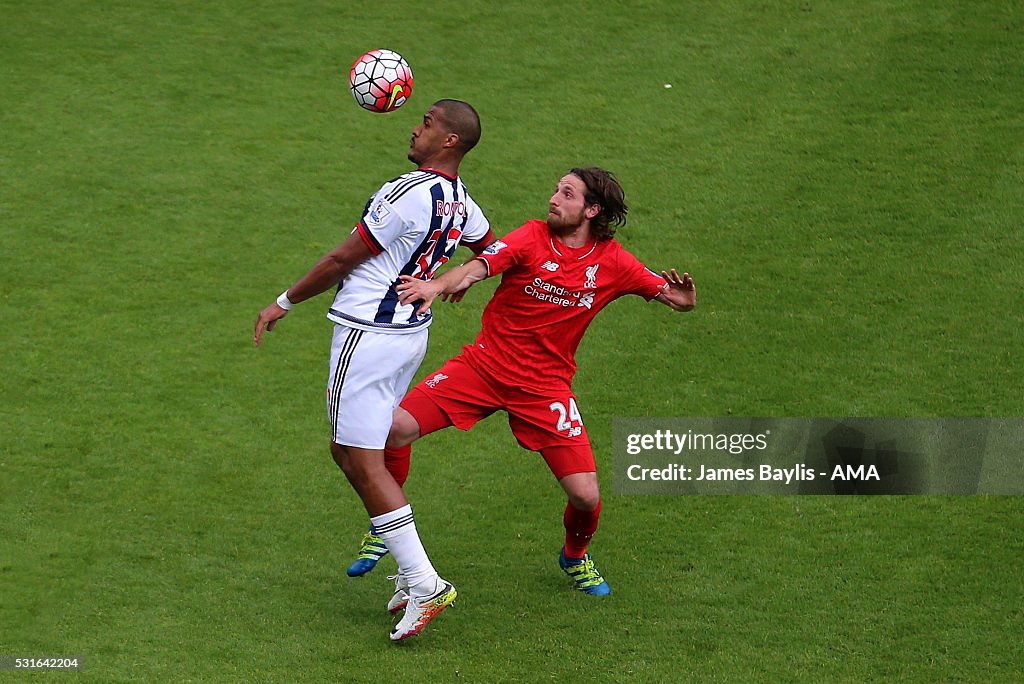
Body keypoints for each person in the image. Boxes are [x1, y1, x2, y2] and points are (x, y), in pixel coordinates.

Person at [364, 167, 695, 603]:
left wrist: (682, 300)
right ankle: (384, 524)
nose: (554, 198)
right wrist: (436, 284)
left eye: (567, 193)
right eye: (557, 189)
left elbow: (671, 296)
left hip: (545, 389)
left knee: (585, 495)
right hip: (482, 369)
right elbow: (478, 267)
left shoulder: (614, 263)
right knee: (394, 429)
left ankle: (574, 556)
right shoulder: (532, 236)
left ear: (591, 210)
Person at [253, 99, 495, 641]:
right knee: (352, 451)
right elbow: (492, 248)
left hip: (367, 334)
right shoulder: (462, 204)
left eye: (428, 124)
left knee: (361, 461)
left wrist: (284, 302)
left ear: (450, 140)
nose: (416, 128)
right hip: (407, 338)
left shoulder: (406, 192)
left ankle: (424, 581)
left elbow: (343, 259)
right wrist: (452, 280)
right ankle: (415, 578)